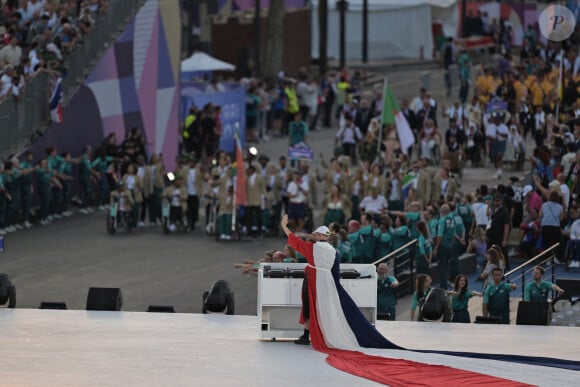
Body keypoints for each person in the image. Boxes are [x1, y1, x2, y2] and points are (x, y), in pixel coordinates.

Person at [280, 214, 397, 349]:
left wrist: (284, 226)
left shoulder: (310, 248)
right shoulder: (334, 252)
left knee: (309, 309)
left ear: (318, 235)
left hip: (312, 282)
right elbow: (335, 273)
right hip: (327, 284)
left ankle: (306, 336)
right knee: (326, 310)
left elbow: (294, 241)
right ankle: (323, 335)